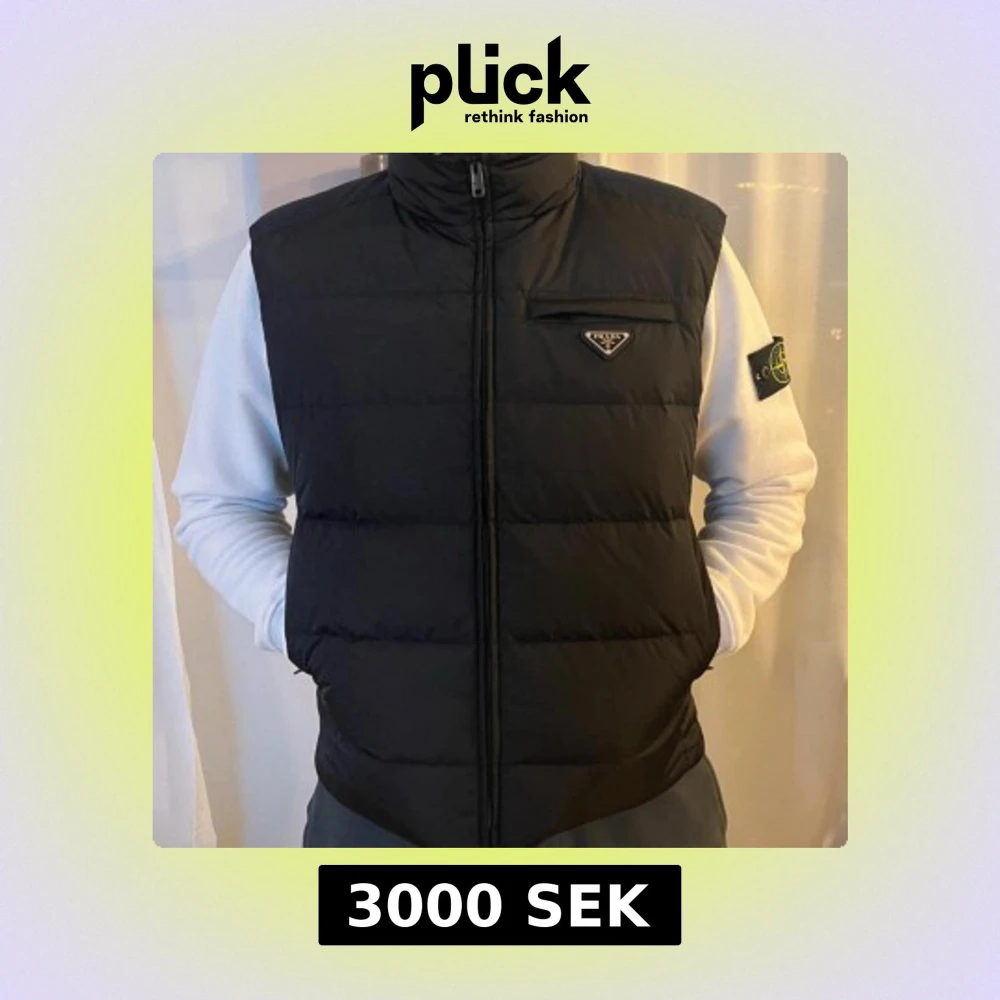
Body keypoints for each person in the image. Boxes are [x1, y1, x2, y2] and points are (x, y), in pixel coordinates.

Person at [171, 153, 817, 848]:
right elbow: (218, 500)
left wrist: (704, 619)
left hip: (637, 799)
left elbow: (769, 478)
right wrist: (306, 620)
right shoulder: (289, 260)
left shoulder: (679, 244)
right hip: (380, 808)